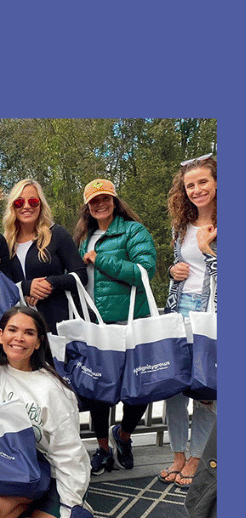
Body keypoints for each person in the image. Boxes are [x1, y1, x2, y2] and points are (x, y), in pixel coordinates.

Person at [0, 306, 92, 518]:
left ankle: (51, 509)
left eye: (29, 333)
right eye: (12, 330)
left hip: (52, 477)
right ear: (0, 335)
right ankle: (25, 507)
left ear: (39, 342)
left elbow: (70, 455)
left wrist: (71, 510)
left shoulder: (53, 390)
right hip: (7, 473)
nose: (18, 338)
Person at [73, 178, 157, 476]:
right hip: (96, 325)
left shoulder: (133, 231)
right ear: (87, 206)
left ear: (115, 200)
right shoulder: (85, 236)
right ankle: (103, 449)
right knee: (98, 389)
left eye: (105, 198)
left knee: (140, 387)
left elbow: (144, 272)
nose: (100, 204)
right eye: (94, 200)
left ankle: (123, 435)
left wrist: (100, 259)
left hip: (132, 322)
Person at [160, 155, 217, 489]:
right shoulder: (180, 225)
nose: (197, 190)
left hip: (211, 313)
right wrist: (172, 271)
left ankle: (197, 457)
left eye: (203, 182)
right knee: (174, 385)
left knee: (206, 387)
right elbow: (182, 267)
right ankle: (178, 454)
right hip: (179, 307)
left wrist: (209, 251)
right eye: (190, 185)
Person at [2, 179, 87, 333]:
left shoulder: (57, 234)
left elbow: (81, 275)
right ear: (13, 206)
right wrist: (27, 288)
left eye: (33, 201)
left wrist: (51, 282)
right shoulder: (5, 243)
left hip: (57, 325)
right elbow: (2, 286)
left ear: (41, 205)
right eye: (19, 202)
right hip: (20, 328)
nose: (26, 206)